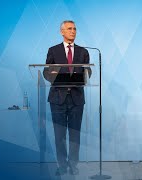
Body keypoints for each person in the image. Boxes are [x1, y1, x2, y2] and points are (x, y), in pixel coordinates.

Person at [43, 20, 91, 176]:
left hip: (76, 98)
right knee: (59, 134)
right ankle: (62, 165)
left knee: (75, 134)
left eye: (75, 29)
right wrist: (54, 76)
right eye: (69, 29)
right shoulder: (53, 50)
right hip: (58, 98)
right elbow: (46, 71)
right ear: (62, 32)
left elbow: (88, 72)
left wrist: (83, 76)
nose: (73, 31)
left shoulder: (83, 51)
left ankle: (73, 165)